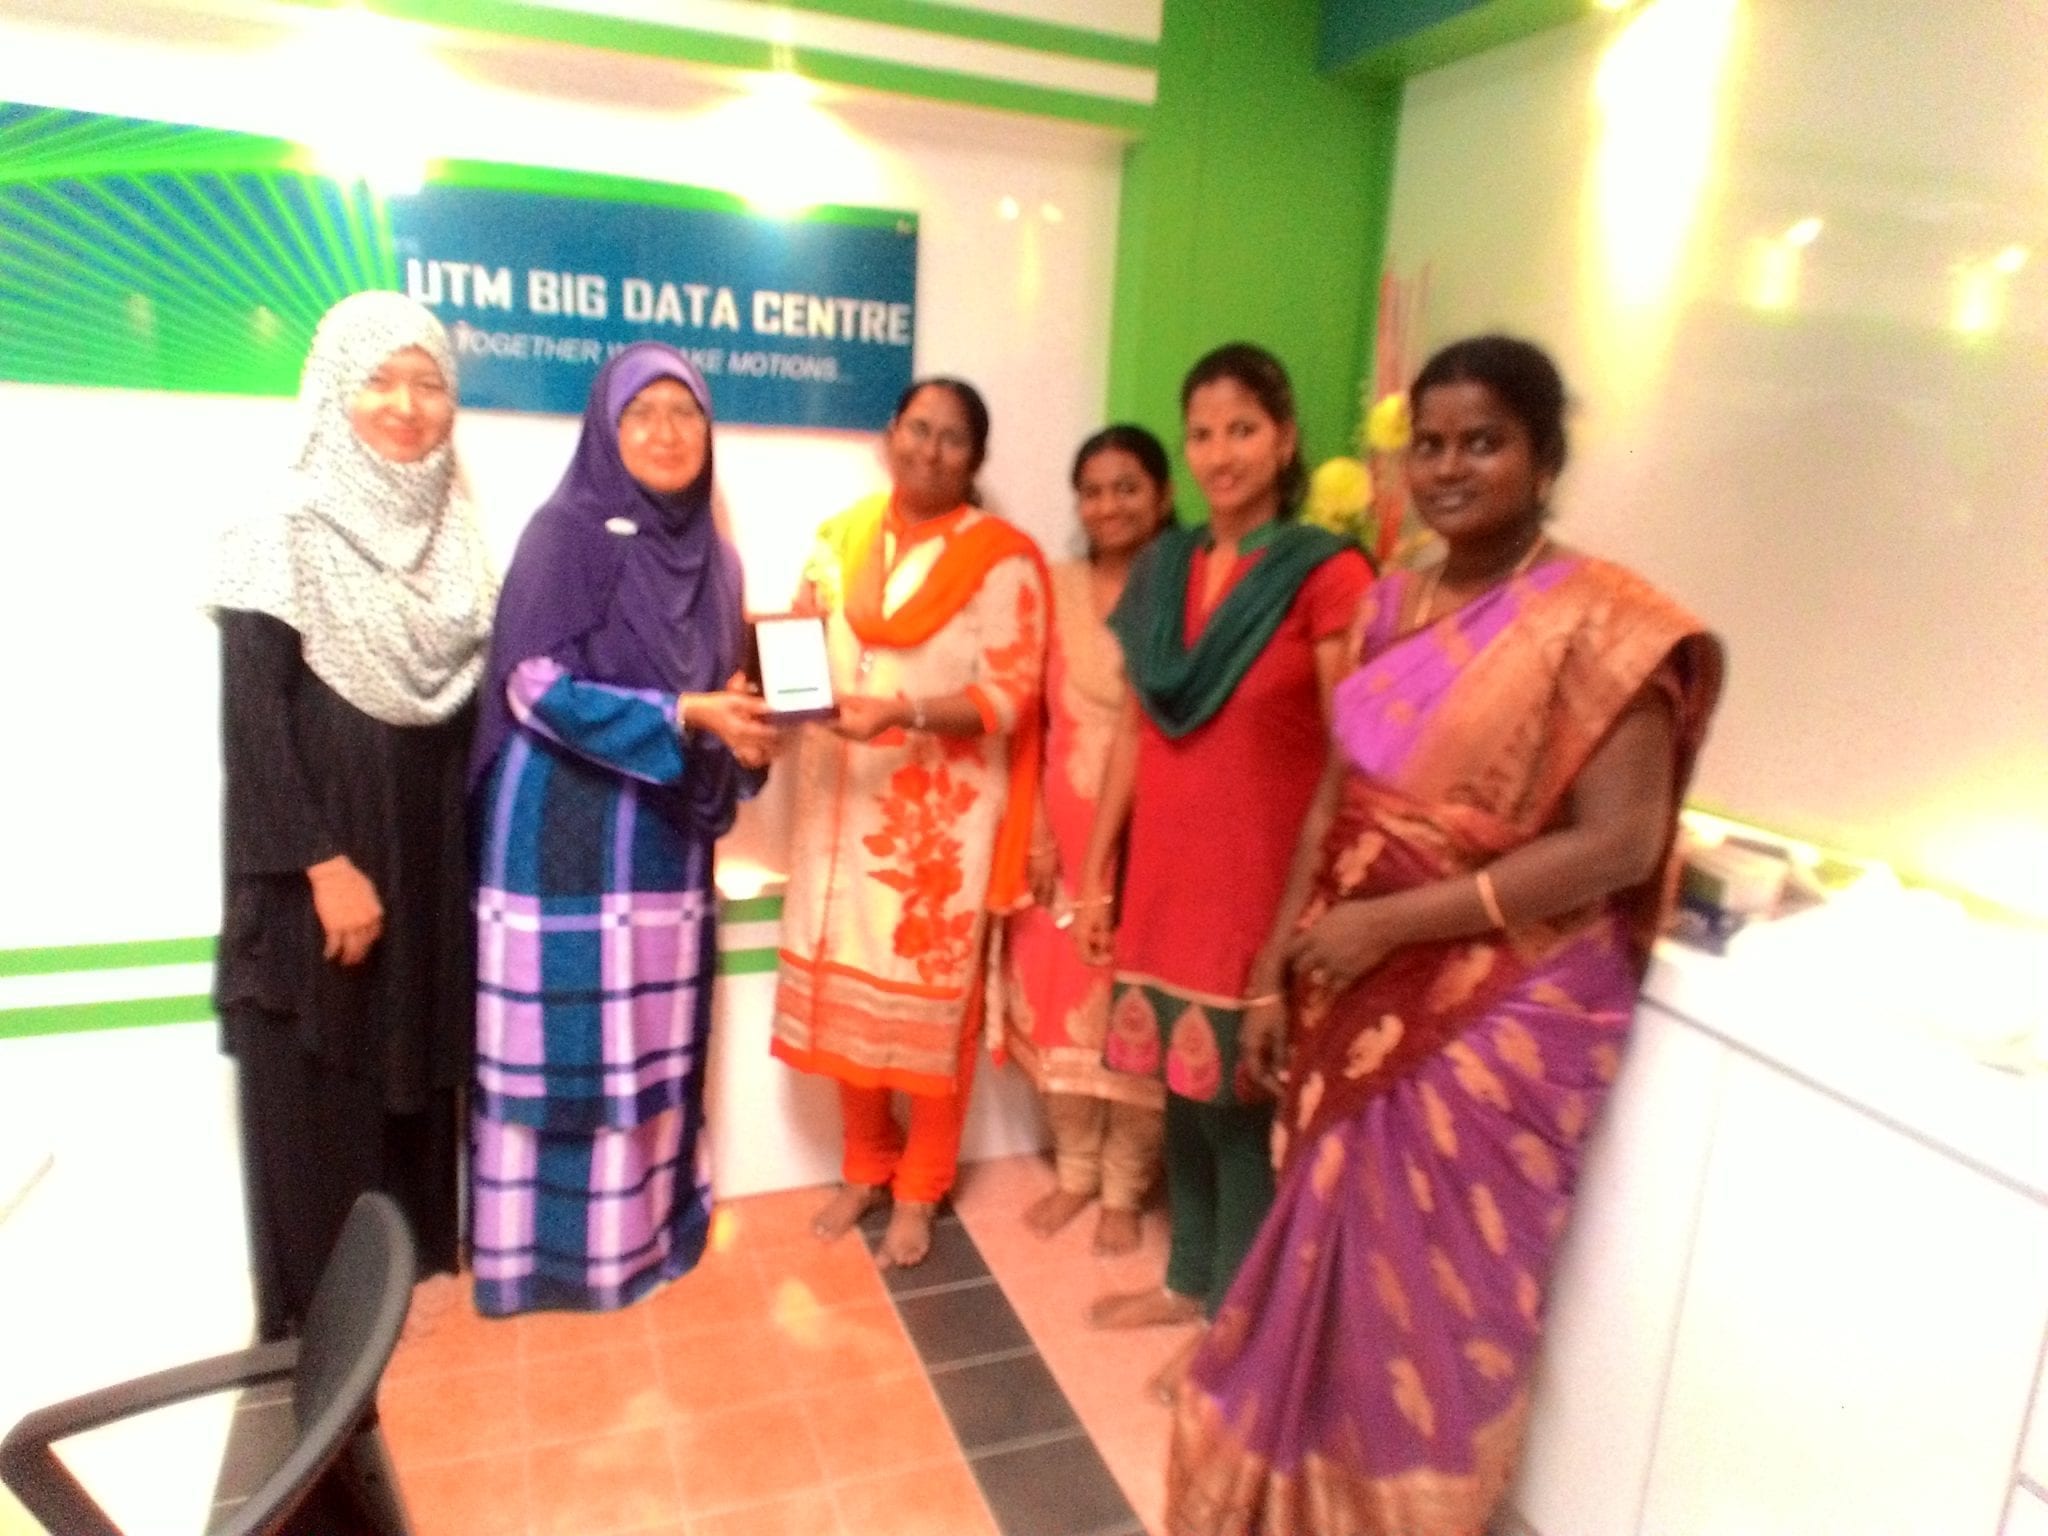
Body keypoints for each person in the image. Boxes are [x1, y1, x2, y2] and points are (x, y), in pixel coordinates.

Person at [1165, 335, 1725, 1536]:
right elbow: (1336, 795)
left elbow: (1619, 844)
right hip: (1352, 968)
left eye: (1483, 442)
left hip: (1500, 1003)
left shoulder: (1602, 624)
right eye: (1428, 444)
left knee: (1429, 1291)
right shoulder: (1387, 602)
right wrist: (1276, 961)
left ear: (1544, 458)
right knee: (1324, 1246)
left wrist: (1389, 924)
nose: (1449, 467)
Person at [1073, 345, 1373, 1380]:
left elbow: (1352, 752)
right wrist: (1098, 876)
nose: (1218, 452)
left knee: (1239, 1107)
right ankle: (1184, 1279)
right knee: (1178, 1088)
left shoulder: (1325, 573)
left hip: (1259, 880)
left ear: (1285, 440)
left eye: (1242, 428)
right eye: (1200, 433)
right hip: (1164, 875)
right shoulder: (1164, 569)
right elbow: (1131, 731)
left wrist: (1316, 905)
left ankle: (1229, 1328)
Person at [469, 343, 775, 1316]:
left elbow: (720, 694)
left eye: (685, 414)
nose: (666, 433)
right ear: (605, 428)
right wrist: (684, 714)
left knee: (650, 1043)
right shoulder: (563, 534)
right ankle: (549, 1260)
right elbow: (530, 684)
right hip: (561, 831)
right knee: (562, 1048)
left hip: (661, 835)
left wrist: (747, 725)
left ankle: (642, 1239)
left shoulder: (717, 561)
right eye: (641, 413)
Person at [209, 291, 493, 1341]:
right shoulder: (278, 528)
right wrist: (324, 865)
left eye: (429, 384)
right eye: (379, 379)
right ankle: (318, 1362)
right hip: (317, 892)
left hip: (424, 875)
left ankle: (388, 1329)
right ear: (333, 389)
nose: (406, 406)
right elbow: (253, 726)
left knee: (405, 1115)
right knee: (316, 1122)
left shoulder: (459, 541)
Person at [773, 377, 1049, 1269]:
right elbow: (799, 650)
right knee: (850, 1008)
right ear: (891, 431)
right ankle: (866, 1167)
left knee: (933, 1022)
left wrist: (905, 713)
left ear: (976, 457)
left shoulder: (1002, 560)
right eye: (918, 429)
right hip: (836, 811)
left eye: (952, 438)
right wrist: (776, 674)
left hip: (937, 832)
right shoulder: (837, 540)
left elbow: (1009, 696)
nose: (930, 449)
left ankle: (922, 1188)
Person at [1002, 425, 1175, 1257]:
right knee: (1057, 1002)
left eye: (1127, 488)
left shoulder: (1186, 586)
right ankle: (1075, 1171)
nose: (1109, 505)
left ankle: (1126, 1185)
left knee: (1136, 1011)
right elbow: (1031, 717)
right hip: (1062, 834)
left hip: (1158, 835)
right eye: (1094, 491)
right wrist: (1036, 830)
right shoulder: (1055, 584)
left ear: (1162, 496)